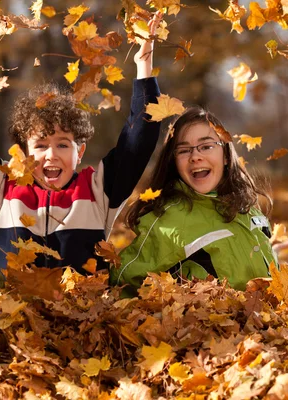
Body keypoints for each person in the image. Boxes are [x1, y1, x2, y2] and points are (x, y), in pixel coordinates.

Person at [0, 12, 163, 291]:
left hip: (78, 322)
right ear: (23, 152)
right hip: (8, 321)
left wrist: (144, 68)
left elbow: (138, 141)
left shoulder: (97, 192)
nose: (51, 155)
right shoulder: (1, 188)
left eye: (62, 144)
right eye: (40, 145)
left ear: (80, 151)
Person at [110, 107, 278, 295]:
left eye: (206, 146)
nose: (195, 156)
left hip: (269, 320)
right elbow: (124, 280)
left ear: (225, 155)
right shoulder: (167, 220)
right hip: (214, 322)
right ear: (174, 161)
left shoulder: (248, 209)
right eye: (183, 150)